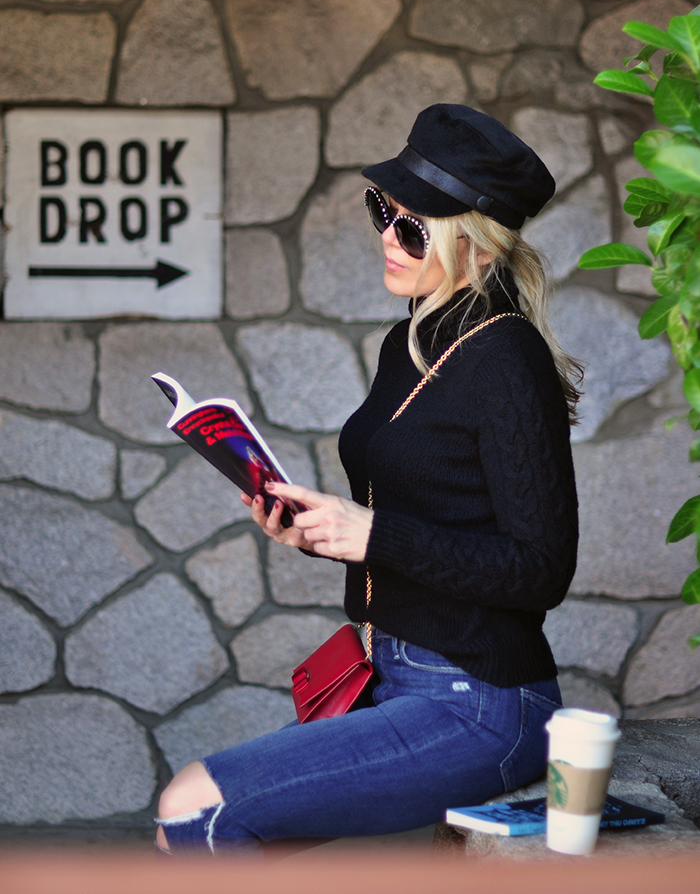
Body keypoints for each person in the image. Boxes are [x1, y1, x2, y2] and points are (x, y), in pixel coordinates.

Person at [156, 103, 580, 854]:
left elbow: (541, 569)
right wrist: (321, 532)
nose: (387, 235)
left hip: (481, 700)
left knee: (195, 808)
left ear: (477, 245)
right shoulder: (409, 342)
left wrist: (374, 532)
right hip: (390, 672)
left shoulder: (507, 357)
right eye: (383, 210)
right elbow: (420, 519)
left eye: (412, 227)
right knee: (195, 820)